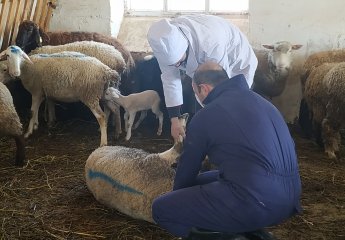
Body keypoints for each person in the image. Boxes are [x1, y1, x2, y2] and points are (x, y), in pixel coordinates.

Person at [151, 62, 302, 239]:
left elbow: (187, 169)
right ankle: (255, 233)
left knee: (162, 209)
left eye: (195, 92)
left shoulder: (207, 115)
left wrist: (180, 199)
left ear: (204, 88)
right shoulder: (265, 103)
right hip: (290, 197)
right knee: (201, 182)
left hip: (257, 202)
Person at [147, 14, 258, 142]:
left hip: (236, 62)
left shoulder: (210, 44)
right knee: (208, 104)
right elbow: (170, 79)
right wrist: (175, 119)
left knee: (233, 105)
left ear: (186, 46)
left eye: (179, 62)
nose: (177, 66)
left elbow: (221, 87)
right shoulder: (164, 47)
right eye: (174, 64)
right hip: (207, 58)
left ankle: (234, 139)